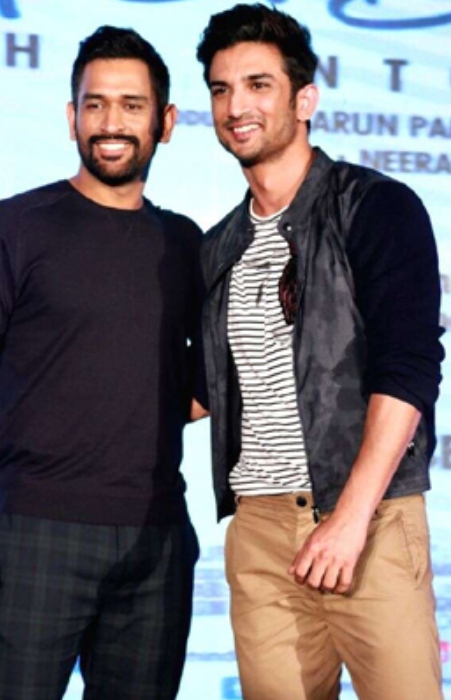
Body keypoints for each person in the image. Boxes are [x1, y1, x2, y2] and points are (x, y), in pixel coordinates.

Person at [0, 25, 207, 700]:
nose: (111, 123)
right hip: (37, 535)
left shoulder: (185, 242)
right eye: (95, 104)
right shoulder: (16, 226)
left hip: (159, 541)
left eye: (132, 105)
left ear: (165, 122)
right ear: (71, 116)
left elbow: (197, 389)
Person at [196, 4, 444, 699]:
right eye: (221, 89)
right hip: (259, 531)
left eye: (258, 85)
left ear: (304, 99)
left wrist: (351, 518)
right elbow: (206, 388)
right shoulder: (217, 246)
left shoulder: (375, 207)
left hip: (369, 519)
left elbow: (409, 370)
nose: (236, 107)